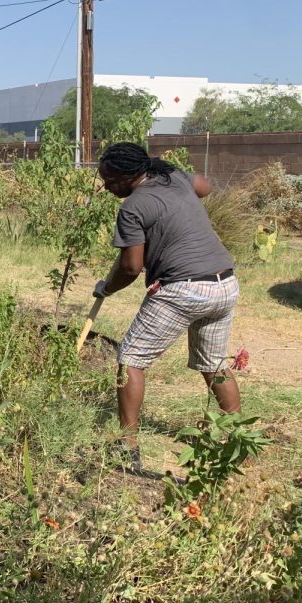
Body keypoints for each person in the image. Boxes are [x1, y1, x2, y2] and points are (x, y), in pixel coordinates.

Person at [92, 142, 240, 468]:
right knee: (214, 363)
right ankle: (239, 438)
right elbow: (205, 186)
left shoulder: (133, 207)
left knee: (130, 360)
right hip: (224, 284)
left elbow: (131, 267)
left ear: (129, 176)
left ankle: (126, 445)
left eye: (110, 181)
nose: (106, 187)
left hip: (184, 290)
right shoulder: (172, 175)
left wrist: (106, 288)